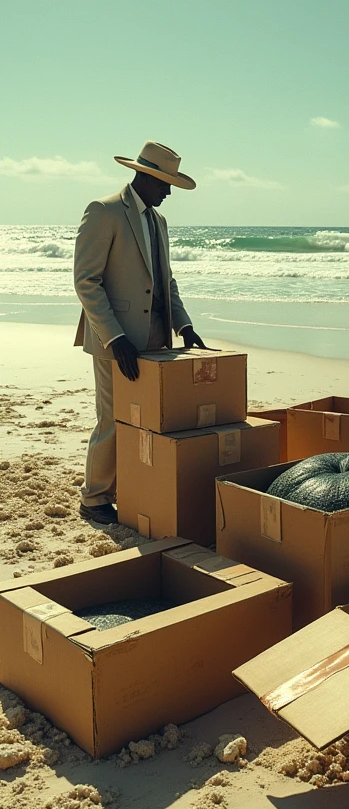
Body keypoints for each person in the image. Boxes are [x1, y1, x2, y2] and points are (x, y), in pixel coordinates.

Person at [73, 140, 206, 524]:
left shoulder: (158, 222)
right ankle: (94, 498)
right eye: (164, 183)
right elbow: (86, 282)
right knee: (113, 420)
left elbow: (166, 280)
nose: (168, 191)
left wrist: (185, 324)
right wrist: (115, 339)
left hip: (156, 340)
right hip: (116, 341)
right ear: (144, 176)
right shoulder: (105, 211)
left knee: (147, 421)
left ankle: (130, 491)